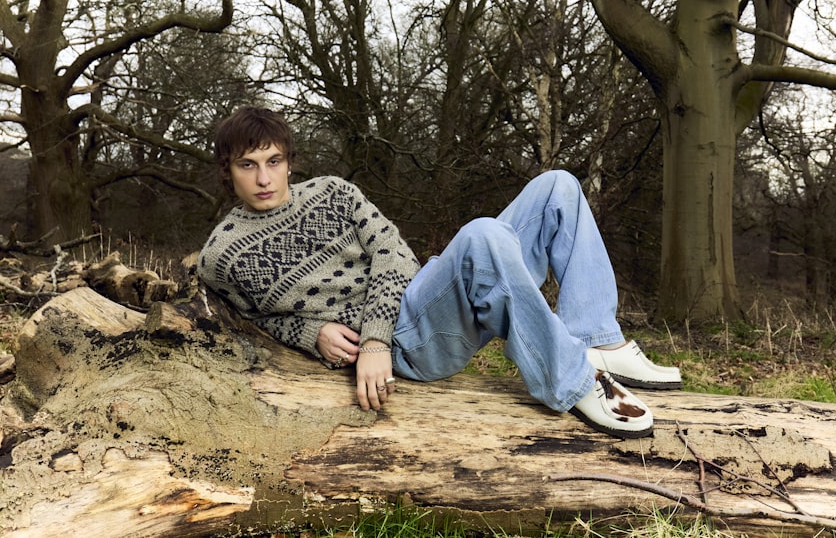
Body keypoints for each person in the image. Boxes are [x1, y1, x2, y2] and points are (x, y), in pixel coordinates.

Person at [198, 106, 682, 439]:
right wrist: (312, 332)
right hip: (414, 345)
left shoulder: (333, 192)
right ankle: (575, 382)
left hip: (413, 304)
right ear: (227, 170)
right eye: (248, 165)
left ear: (289, 162)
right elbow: (252, 321)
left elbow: (395, 254)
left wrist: (373, 340)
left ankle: (598, 339)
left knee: (558, 186)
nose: (264, 178)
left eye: (274, 161)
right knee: (482, 236)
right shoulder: (221, 256)